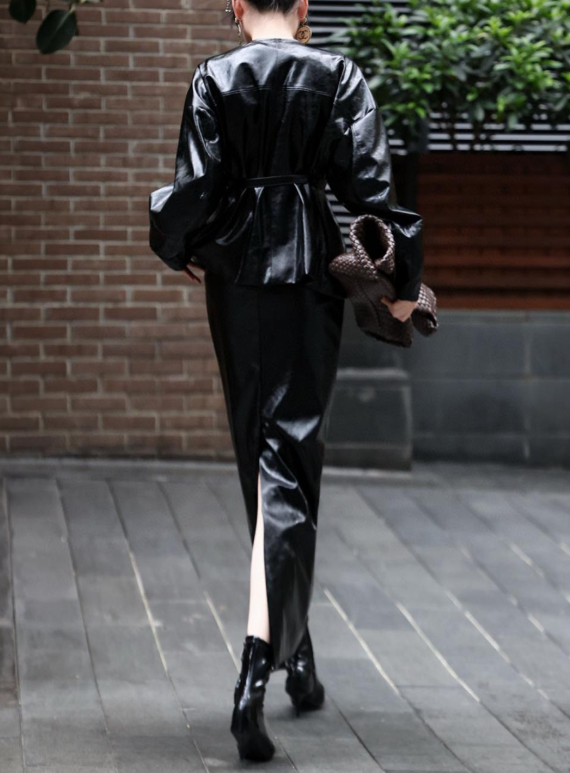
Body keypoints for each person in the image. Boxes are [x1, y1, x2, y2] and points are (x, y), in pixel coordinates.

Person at [148, 0, 424, 762]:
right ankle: (262, 663)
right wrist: (403, 283)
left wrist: (178, 245)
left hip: (236, 278)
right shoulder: (337, 75)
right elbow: (372, 193)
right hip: (307, 275)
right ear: (302, 8)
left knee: (263, 455)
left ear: (237, 8)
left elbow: (194, 188)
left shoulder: (214, 77)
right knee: (291, 457)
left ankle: (292, 653)